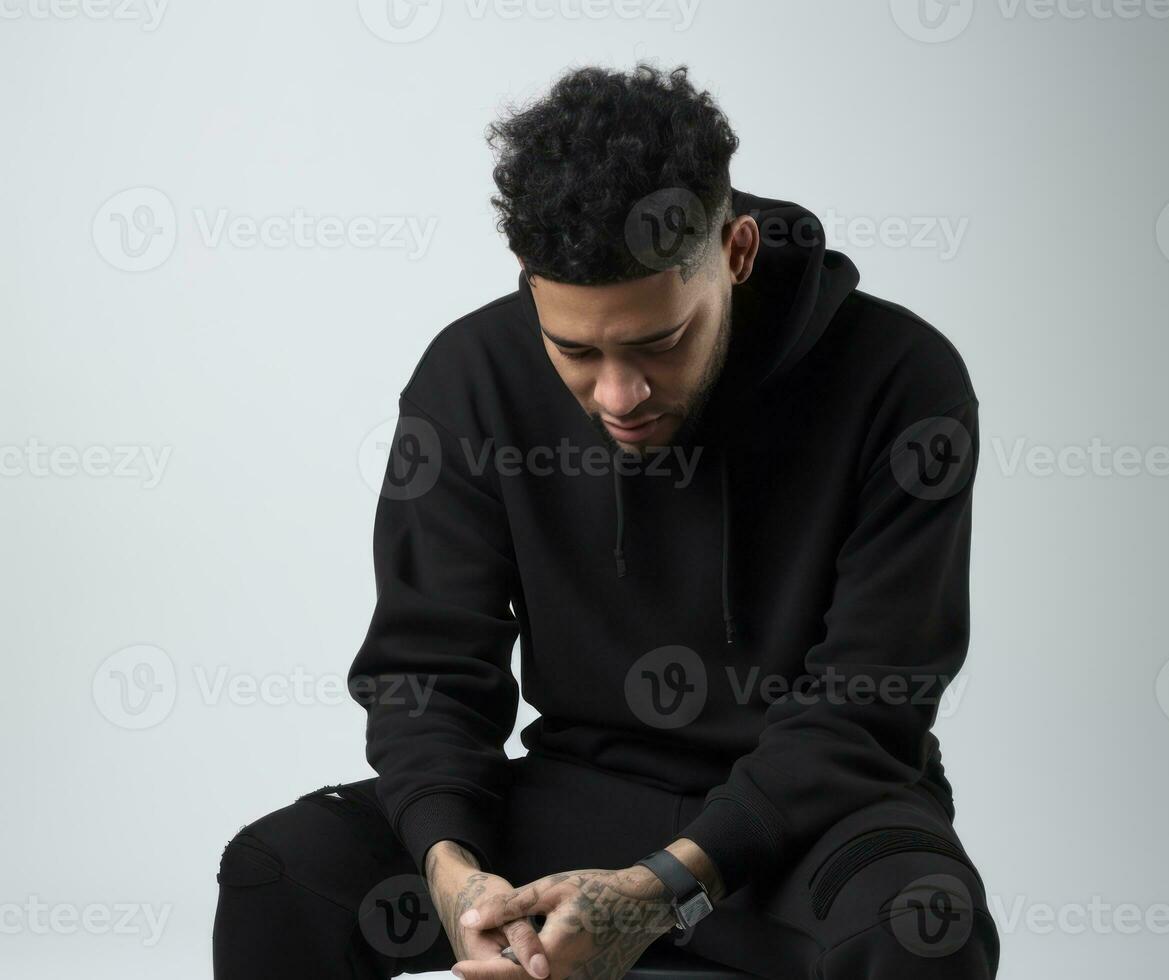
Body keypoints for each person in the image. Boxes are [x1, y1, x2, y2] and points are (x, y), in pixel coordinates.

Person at [214, 62, 999, 979]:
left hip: (809, 820)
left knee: (920, 922)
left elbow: (871, 700)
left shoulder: (899, 378)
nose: (618, 394)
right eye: (575, 350)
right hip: (576, 792)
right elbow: (428, 669)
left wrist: (663, 886)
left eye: (659, 343)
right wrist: (455, 875)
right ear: (529, 284)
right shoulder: (472, 378)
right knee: (278, 874)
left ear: (736, 252)